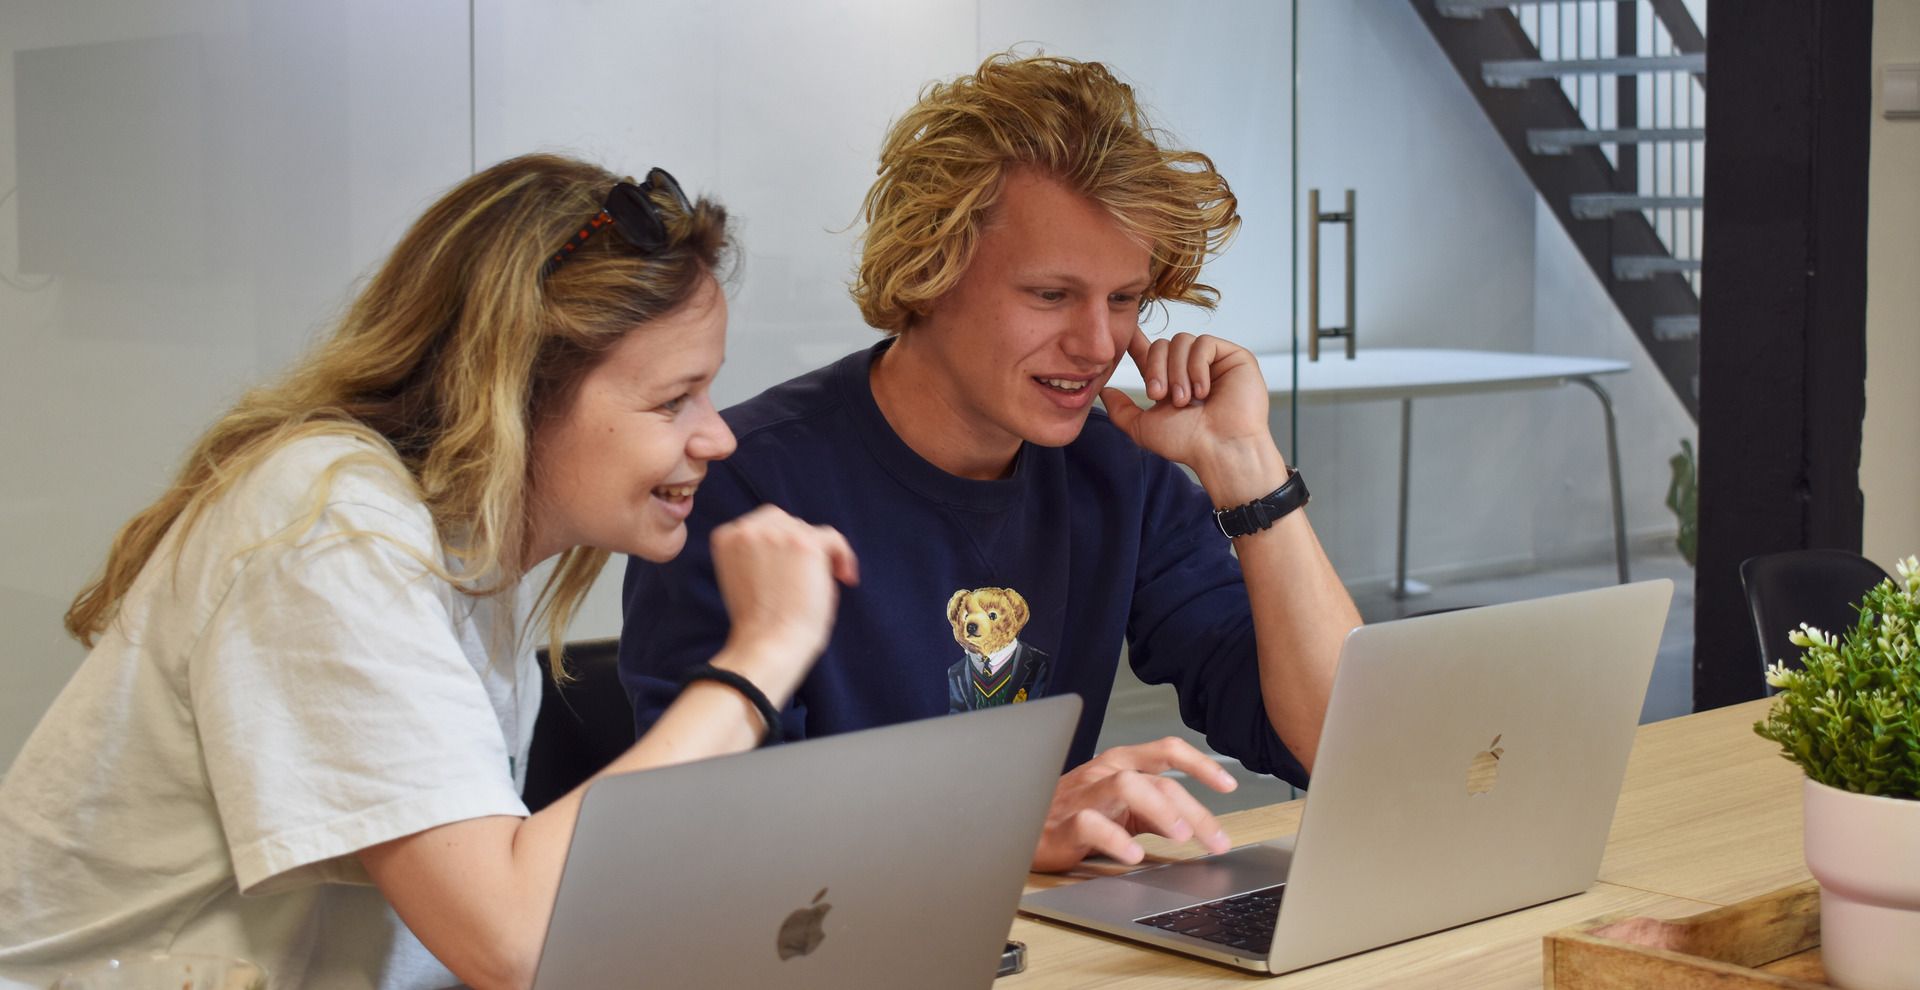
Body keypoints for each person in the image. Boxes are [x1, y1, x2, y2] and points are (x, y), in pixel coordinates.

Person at [0, 154, 856, 990]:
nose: (717, 438)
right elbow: (510, 940)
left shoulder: (462, 562)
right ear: (516, 392)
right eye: (674, 400)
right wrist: (760, 656)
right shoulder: (328, 525)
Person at [619, 52, 1363, 874]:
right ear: (929, 273)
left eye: (1123, 299)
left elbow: (1343, 746)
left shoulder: (1121, 473)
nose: (1097, 345)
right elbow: (712, 849)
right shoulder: (742, 485)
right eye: (1050, 296)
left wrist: (1249, 472)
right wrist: (1000, 833)